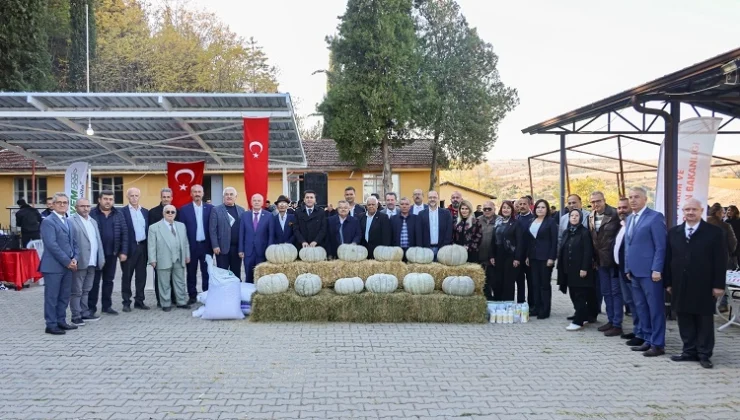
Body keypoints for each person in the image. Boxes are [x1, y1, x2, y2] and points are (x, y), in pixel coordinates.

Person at [665, 199, 726, 369]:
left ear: (701, 211)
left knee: (704, 320)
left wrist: (718, 285)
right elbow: (668, 259)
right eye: (687, 209)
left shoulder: (714, 232)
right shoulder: (674, 232)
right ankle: (688, 351)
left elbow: (721, 261)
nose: (690, 212)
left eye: (694, 209)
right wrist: (668, 282)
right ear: (682, 212)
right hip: (680, 283)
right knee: (684, 318)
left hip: (704, 285)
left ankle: (704, 354)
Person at [624, 187, 666, 357]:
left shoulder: (655, 217)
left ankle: (658, 343)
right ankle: (647, 339)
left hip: (650, 273)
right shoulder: (629, 218)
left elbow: (661, 246)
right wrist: (627, 267)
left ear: (645, 199)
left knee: (655, 308)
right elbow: (628, 246)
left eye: (637, 197)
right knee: (641, 307)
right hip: (634, 272)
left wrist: (657, 269)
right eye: (631, 197)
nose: (633, 200)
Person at [39, 193, 79, 335]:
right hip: (53, 266)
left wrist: (75, 258)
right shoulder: (48, 221)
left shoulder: (68, 221)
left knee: (64, 295)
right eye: (59, 202)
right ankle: (51, 324)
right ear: (53, 205)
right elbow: (52, 245)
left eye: (65, 202)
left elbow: (74, 242)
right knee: (52, 297)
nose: (62, 205)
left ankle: (61, 321)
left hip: (68, 266)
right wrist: (67, 261)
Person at [588, 191, 623, 337]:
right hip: (600, 261)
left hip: (613, 261)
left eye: (598, 201)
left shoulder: (615, 214)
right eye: (593, 202)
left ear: (604, 200)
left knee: (616, 293)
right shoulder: (590, 216)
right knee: (606, 292)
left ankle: (617, 323)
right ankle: (610, 320)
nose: (596, 204)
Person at [89, 190, 128, 316]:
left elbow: (124, 233)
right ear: (99, 200)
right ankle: (91, 308)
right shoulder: (92, 214)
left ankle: (107, 306)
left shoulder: (118, 214)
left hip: (112, 253)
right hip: (96, 255)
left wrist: (123, 252)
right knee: (94, 282)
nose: (108, 201)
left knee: (108, 281)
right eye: (105, 199)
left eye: (111, 199)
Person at [68, 199, 105, 326]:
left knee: (86, 289)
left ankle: (84, 312)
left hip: (92, 261)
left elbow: (97, 241)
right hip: (80, 261)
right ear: (76, 207)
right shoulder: (71, 221)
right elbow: (70, 242)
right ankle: (76, 315)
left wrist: (101, 258)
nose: (86, 208)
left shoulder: (92, 221)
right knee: (76, 290)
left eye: (88, 206)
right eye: (82, 206)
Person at [148, 205, 190, 312]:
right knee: (164, 282)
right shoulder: (154, 227)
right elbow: (151, 245)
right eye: (168, 212)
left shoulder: (181, 226)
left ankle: (181, 301)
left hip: (179, 258)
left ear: (175, 214)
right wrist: (152, 259)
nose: (170, 214)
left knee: (180, 281)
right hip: (163, 258)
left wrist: (187, 255)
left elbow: (185, 242)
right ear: (163, 213)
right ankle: (165, 303)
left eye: (172, 212)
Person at [558, 209, 595, 331]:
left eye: (576, 215)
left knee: (579, 295)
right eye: (571, 215)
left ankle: (578, 321)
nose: (574, 217)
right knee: (573, 293)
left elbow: (587, 251)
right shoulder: (567, 232)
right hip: (568, 270)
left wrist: (584, 268)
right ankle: (582, 315)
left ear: (580, 218)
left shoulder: (584, 232)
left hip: (580, 270)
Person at [613, 197, 643, 345]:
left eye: (624, 207)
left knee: (638, 302)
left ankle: (642, 332)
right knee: (631, 302)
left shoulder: (634, 225)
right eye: (619, 208)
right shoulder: (622, 225)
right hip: (621, 270)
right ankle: (637, 330)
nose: (621, 210)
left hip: (632, 271)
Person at [177, 184, 213, 304]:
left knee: (206, 272)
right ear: (191, 194)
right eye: (195, 192)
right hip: (191, 246)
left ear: (203, 194)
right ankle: (192, 295)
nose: (197, 194)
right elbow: (181, 231)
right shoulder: (184, 210)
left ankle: (207, 294)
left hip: (206, 246)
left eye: (199, 192)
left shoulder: (210, 209)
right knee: (191, 272)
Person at [524, 199, 558, 319]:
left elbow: (554, 241)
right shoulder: (531, 221)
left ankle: (545, 310)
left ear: (547, 209)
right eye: (538, 207)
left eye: (543, 207)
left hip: (545, 258)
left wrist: (552, 257)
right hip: (533, 257)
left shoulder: (551, 222)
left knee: (544, 284)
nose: (540, 209)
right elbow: (529, 240)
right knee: (535, 283)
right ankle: (536, 308)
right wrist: (528, 255)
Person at [120, 187, 149, 312]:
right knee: (127, 276)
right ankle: (126, 302)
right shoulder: (122, 212)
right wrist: (122, 251)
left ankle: (139, 301)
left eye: (136, 195)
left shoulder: (145, 212)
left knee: (141, 276)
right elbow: (120, 233)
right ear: (127, 197)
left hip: (142, 247)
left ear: (139, 196)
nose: (134, 198)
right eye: (131, 195)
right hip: (129, 249)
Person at [490, 201, 524, 302]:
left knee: (508, 282)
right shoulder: (497, 222)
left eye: (508, 208)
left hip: (510, 256)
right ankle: (498, 305)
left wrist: (517, 258)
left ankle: (508, 305)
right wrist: (491, 256)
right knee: (498, 281)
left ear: (512, 210)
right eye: (504, 207)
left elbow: (520, 242)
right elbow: (493, 240)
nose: (505, 210)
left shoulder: (516, 223)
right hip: (498, 255)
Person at [209, 187, 245, 278]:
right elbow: (212, 229)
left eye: (231, 194)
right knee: (222, 275)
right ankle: (223, 292)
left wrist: (242, 247)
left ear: (236, 197)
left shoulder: (241, 210)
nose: (229, 196)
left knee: (236, 274)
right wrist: (215, 245)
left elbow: (243, 229)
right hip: (221, 248)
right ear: (223, 197)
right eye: (226, 194)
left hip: (237, 249)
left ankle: (235, 291)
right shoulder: (216, 210)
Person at [147, 188, 174, 308]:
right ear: (161, 197)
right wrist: (152, 256)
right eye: (164, 197)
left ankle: (173, 298)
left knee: (173, 276)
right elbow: (151, 236)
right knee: (160, 277)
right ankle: (161, 300)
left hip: (173, 252)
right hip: (159, 252)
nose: (166, 199)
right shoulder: (153, 213)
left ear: (171, 198)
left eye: (168, 197)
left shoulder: (175, 211)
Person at [239, 194, 273, 283]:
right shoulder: (244, 215)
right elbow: (241, 233)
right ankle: (248, 295)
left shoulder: (269, 216)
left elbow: (271, 235)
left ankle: (259, 295)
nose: (256, 202)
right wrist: (241, 250)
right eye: (254, 200)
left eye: (259, 201)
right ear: (251, 202)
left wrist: (269, 250)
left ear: (262, 202)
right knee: (248, 275)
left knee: (261, 276)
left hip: (262, 251)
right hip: (248, 252)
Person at [419, 191, 453, 259]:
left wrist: (444, 247)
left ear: (438, 199)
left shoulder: (446, 213)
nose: (432, 199)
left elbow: (449, 232)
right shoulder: (421, 214)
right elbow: (420, 233)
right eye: (430, 197)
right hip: (426, 250)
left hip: (442, 250)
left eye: (434, 197)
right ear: (427, 199)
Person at [477, 200, 499, 300]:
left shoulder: (500, 220)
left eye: (489, 209)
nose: (486, 210)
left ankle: (497, 304)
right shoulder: (478, 220)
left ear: (494, 209)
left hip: (494, 258)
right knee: (483, 283)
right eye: (484, 209)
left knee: (495, 282)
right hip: (480, 257)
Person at [706, 202, 737, 270]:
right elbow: (733, 242)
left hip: (702, 256)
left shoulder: (701, 222)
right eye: (723, 212)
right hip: (720, 256)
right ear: (718, 213)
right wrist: (728, 252)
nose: (723, 215)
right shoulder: (725, 226)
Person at [516, 198, 535, 304]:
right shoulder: (516, 218)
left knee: (531, 281)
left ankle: (532, 304)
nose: (522, 206)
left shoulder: (534, 219)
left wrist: (529, 254)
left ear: (529, 205)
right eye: (520, 204)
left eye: (524, 204)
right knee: (519, 281)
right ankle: (520, 302)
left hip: (530, 255)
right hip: (518, 255)